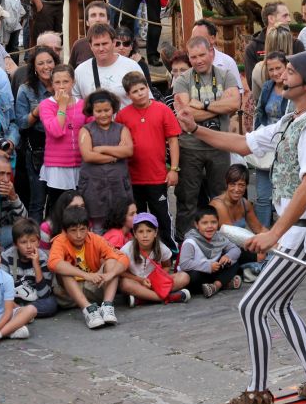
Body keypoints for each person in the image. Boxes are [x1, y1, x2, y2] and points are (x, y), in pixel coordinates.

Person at [176, 50, 306, 404]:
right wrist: (194, 129)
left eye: (292, 71)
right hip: (299, 232)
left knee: (252, 306)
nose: (282, 74)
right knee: (277, 305)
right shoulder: (291, 119)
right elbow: (244, 144)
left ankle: (257, 393)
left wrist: (272, 234)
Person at [173, 36, 241, 238]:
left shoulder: (225, 75)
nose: (198, 60)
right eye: (193, 57)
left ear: (211, 52)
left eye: (202, 55)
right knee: (187, 198)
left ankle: (226, 239)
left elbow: (234, 104)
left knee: (222, 196)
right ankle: (185, 241)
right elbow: (185, 114)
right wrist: (219, 107)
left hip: (219, 145)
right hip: (190, 147)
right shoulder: (183, 79)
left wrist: (201, 105)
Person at [116, 71, 181, 252]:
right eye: (135, 91)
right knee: (136, 219)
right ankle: (140, 252)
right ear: (128, 95)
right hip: (133, 178)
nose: (140, 93)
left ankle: (170, 250)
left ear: (148, 88)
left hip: (157, 177)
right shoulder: (123, 116)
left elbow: (173, 140)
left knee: (162, 216)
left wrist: (174, 169)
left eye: (143, 89)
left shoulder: (162, 109)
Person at [48, 206, 129, 329]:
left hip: (93, 287)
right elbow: (53, 263)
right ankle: (88, 309)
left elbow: (123, 258)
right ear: (65, 231)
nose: (79, 235)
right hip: (68, 293)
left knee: (112, 261)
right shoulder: (60, 241)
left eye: (82, 229)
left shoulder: (95, 239)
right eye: (73, 230)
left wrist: (110, 274)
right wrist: (86, 275)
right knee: (64, 268)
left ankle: (107, 306)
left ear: (88, 228)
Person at [78, 90, 133, 232]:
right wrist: (115, 156)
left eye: (107, 110)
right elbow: (88, 156)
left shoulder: (122, 129)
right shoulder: (86, 130)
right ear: (92, 111)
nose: (103, 114)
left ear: (113, 109)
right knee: (97, 228)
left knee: (121, 227)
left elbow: (128, 151)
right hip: (94, 188)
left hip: (119, 187)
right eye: (99, 111)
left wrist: (102, 148)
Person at [16, 46, 60, 222]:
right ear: (34, 67)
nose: (46, 66)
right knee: (37, 200)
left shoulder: (64, 85)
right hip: (37, 149)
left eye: (49, 62)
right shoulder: (26, 90)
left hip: (60, 147)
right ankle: (34, 241)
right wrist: (37, 112)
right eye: (40, 63)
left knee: (57, 199)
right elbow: (21, 123)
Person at [40, 64, 89, 213]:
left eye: (66, 82)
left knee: (81, 207)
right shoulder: (46, 105)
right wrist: (62, 106)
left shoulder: (83, 105)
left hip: (80, 164)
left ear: (73, 82)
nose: (61, 86)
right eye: (57, 82)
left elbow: (91, 131)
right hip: (58, 167)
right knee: (59, 209)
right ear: (52, 84)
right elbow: (56, 131)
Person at [119, 212, 191, 306]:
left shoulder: (162, 248)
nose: (145, 235)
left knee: (184, 277)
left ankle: (143, 299)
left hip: (155, 282)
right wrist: (140, 280)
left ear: (155, 232)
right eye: (141, 232)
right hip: (137, 283)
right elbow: (121, 272)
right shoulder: (126, 250)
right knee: (125, 284)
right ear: (135, 234)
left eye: (149, 231)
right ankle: (167, 297)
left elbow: (167, 265)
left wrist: (156, 280)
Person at [251, 51, 288, 228]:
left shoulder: (293, 87)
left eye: (278, 68)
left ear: (286, 66)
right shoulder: (267, 87)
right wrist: (256, 137)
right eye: (271, 69)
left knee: (284, 196)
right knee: (263, 196)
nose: (275, 73)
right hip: (267, 145)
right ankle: (263, 238)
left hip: (286, 147)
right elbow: (259, 112)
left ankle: (283, 240)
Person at [72, 23, 146, 108]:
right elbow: (75, 108)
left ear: (114, 43)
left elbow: (146, 100)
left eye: (105, 44)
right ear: (90, 46)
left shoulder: (131, 67)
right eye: (97, 45)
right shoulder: (80, 71)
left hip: (126, 121)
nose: (101, 49)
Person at [0, 218, 58, 318]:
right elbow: (2, 289)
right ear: (15, 244)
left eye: (33, 241)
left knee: (51, 304)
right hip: (12, 299)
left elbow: (44, 294)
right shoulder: (7, 256)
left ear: (39, 242)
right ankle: (22, 313)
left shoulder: (43, 258)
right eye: (23, 242)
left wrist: (36, 265)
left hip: (35, 300)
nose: (29, 246)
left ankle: (20, 313)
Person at [179, 206, 241, 298]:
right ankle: (224, 284)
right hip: (198, 275)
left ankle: (215, 286)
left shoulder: (219, 237)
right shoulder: (190, 241)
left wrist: (228, 256)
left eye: (213, 222)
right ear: (196, 225)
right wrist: (208, 266)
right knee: (193, 276)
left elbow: (235, 249)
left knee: (232, 262)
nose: (210, 226)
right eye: (204, 223)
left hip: (212, 273)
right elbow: (185, 264)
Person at [243, 1, 304, 89]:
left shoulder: (296, 44)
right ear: (271, 19)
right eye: (285, 16)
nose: (289, 20)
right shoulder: (252, 48)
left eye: (289, 16)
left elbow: (303, 76)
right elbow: (252, 83)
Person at [191, 19, 244, 94]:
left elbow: (238, 93)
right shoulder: (186, 62)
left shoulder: (227, 62)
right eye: (193, 38)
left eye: (199, 38)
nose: (195, 42)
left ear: (212, 39)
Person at [0, 155, 29, 249]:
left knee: (24, 233)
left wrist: (13, 197)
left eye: (8, 174)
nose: (6, 179)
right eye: (1, 173)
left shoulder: (5, 194)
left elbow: (23, 223)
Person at [250, 24, 294, 104]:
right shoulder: (295, 68)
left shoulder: (258, 69)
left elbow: (256, 98)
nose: (275, 73)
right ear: (288, 45)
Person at [69, 1, 109, 68]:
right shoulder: (79, 45)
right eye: (93, 15)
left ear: (108, 21)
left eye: (101, 15)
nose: (97, 19)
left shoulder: (118, 44)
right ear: (87, 22)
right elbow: (71, 73)